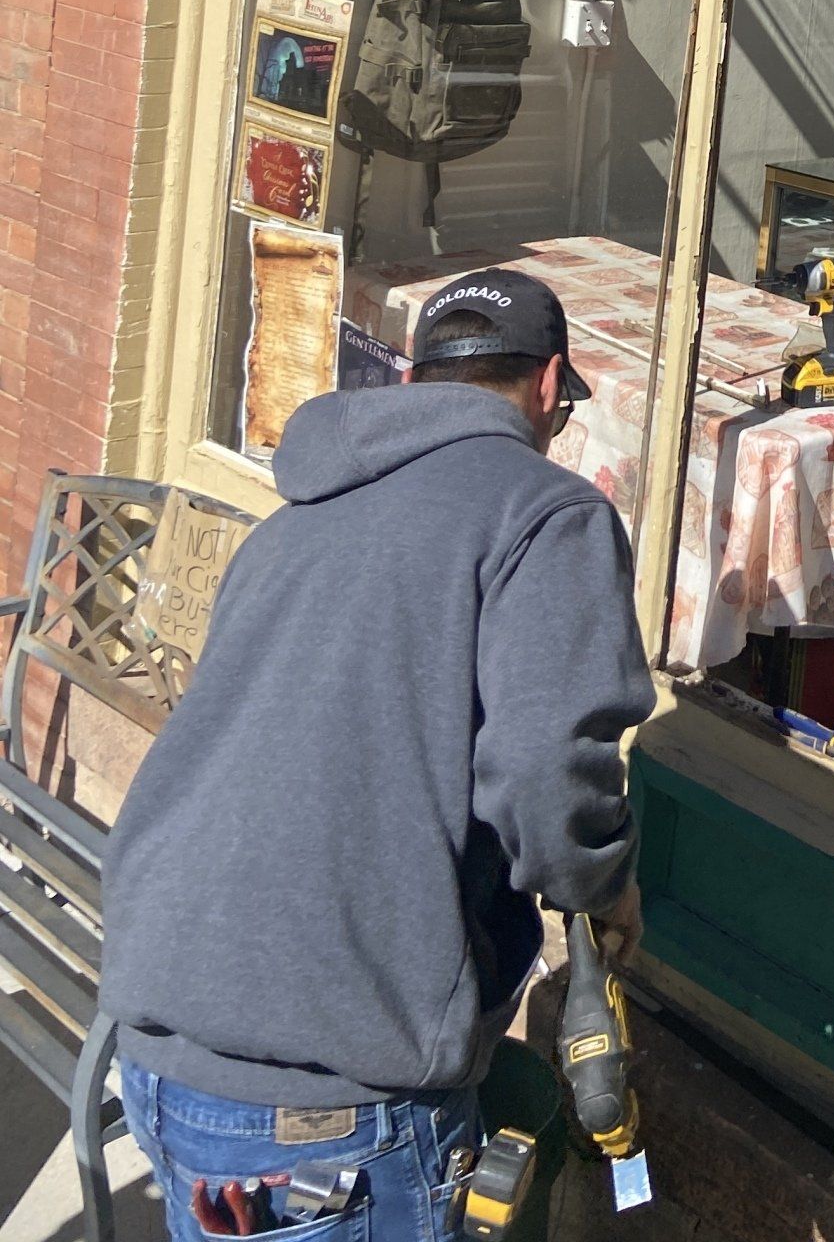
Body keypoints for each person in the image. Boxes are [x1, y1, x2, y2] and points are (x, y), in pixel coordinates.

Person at [101, 270, 655, 1242]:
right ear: (552, 384)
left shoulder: (291, 524)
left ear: (410, 376)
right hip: (323, 1108)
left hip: (159, 1054)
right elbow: (544, 771)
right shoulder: (545, 511)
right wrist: (603, 885)